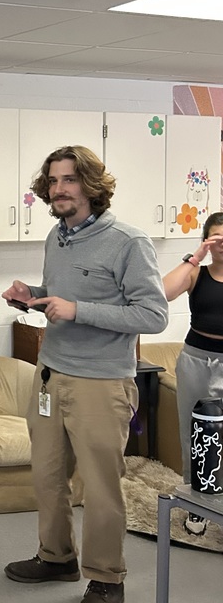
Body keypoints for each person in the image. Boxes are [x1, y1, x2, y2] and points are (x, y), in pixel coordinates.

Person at [2, 145, 168, 603]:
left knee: (101, 488)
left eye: (69, 180)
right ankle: (56, 557)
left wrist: (78, 311)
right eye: (53, 181)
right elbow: (60, 296)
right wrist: (30, 295)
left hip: (102, 383)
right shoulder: (58, 237)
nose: (59, 190)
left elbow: (153, 315)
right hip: (50, 376)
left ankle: (107, 578)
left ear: (92, 186)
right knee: (48, 476)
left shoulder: (129, 243)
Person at [161, 211, 223, 535]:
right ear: (206, 242)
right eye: (216, 238)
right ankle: (196, 503)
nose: (222, 244)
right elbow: (164, 291)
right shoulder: (197, 274)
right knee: (195, 433)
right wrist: (193, 258)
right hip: (197, 360)